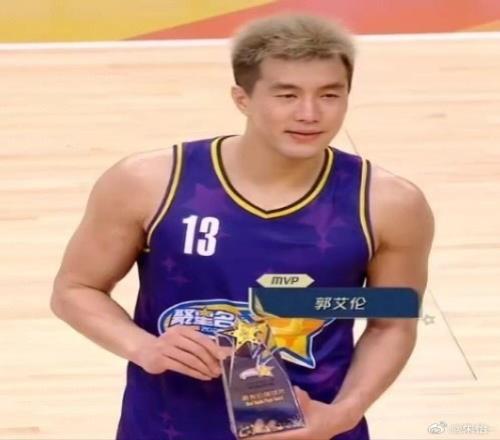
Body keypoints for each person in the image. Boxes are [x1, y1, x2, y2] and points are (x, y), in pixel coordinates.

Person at [51, 13, 434, 440]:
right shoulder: (147, 183)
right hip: (166, 428)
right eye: (287, 95)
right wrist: (143, 346)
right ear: (242, 99)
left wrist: (343, 414)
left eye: (329, 95)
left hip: (316, 431)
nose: (309, 114)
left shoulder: (389, 204)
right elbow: (75, 289)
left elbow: (390, 322)